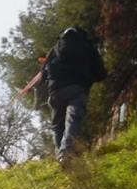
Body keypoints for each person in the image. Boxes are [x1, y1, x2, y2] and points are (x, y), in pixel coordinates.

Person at [40, 26, 106, 163]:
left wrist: (49, 83)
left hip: (56, 90)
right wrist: (88, 78)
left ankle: (60, 156)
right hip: (77, 88)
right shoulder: (88, 47)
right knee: (73, 119)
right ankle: (65, 152)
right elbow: (101, 73)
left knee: (57, 125)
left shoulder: (56, 48)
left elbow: (43, 73)